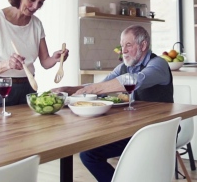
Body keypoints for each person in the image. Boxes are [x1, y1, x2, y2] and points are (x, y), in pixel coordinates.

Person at [53, 25, 173, 182]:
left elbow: (134, 80)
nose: (123, 50)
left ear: (143, 45)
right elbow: (101, 86)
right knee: (89, 153)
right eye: (122, 45)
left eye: (128, 45)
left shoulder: (158, 64)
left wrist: (93, 89)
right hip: (135, 129)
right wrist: (67, 89)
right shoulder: (124, 67)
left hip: (159, 131)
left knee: (90, 155)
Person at [0, 0, 68, 110]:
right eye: (32, 0)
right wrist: (7, 64)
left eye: (41, 2)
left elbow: (45, 62)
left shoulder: (36, 24)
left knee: (26, 131)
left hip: (28, 86)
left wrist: (56, 59)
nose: (35, 6)